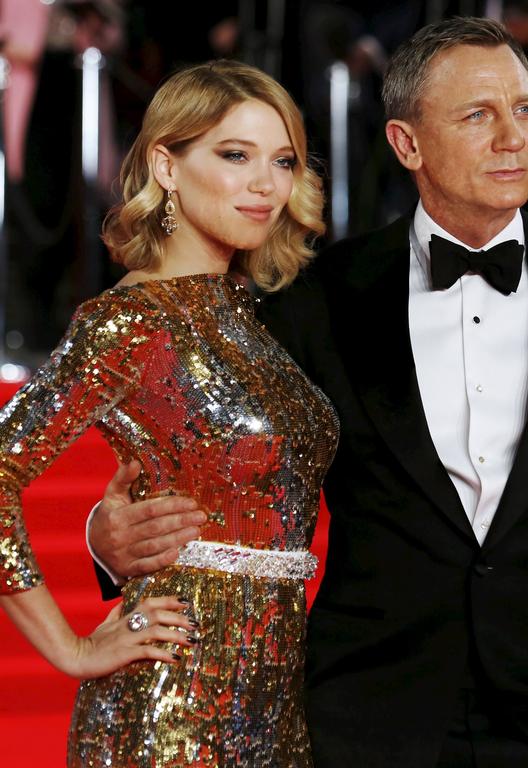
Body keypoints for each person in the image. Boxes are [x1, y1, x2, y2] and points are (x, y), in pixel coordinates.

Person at [88, 16, 528, 768]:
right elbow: (219, 474)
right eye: (478, 115)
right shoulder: (317, 304)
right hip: (370, 720)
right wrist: (107, 542)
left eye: (524, 110)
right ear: (407, 144)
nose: (512, 137)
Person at [0, 59, 340, 766]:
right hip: (170, 700)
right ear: (168, 164)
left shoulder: (251, 311)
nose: (264, 184)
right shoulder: (126, 322)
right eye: (234, 155)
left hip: (279, 701)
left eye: (282, 161)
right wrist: (71, 648)